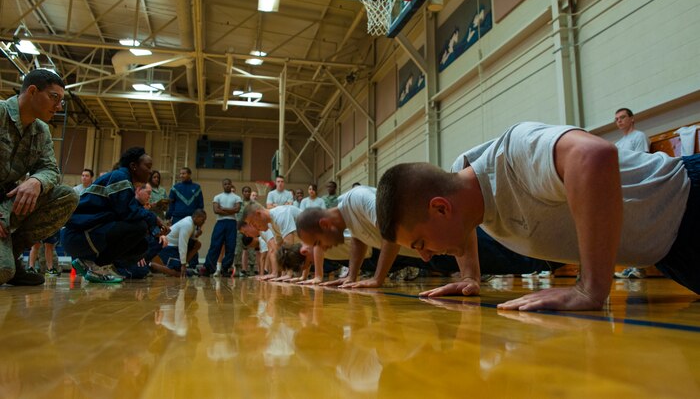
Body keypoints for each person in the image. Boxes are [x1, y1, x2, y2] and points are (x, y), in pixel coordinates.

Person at [375, 121, 699, 311]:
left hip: (690, 199)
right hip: (670, 253)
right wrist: (469, 277)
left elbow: (593, 155)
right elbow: (466, 226)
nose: (425, 256)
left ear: (440, 207)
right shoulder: (466, 193)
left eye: (419, 242)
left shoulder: (514, 152)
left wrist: (590, 288)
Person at [295, 186, 554, 286]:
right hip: (429, 253)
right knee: (507, 260)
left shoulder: (358, 197)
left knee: (509, 254)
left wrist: (377, 279)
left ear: (325, 224)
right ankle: (556, 261)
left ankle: (559, 259)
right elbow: (360, 243)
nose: (323, 249)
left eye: (318, 242)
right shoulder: (346, 214)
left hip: (444, 238)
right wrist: (350, 277)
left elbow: (392, 232)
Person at [0, 69, 79, 286]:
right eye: (54, 98)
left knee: (67, 196)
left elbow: (50, 169)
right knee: (2, 272)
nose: (59, 106)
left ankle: (11, 255)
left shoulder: (41, 131)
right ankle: (8, 265)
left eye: (61, 100)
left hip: (6, 204)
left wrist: (37, 180)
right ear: (33, 91)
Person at [61, 147, 169, 283]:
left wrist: (152, 226)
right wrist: (154, 219)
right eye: (148, 166)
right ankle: (97, 266)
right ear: (134, 166)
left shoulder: (123, 180)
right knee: (140, 227)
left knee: (141, 244)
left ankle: (92, 263)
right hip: (77, 235)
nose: (150, 171)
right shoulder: (120, 177)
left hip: (84, 234)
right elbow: (127, 212)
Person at [613, 108, 651, 279]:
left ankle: (639, 267)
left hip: (637, 185)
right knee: (627, 228)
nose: (619, 121)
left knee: (638, 226)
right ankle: (631, 266)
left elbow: (643, 160)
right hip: (623, 187)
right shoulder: (618, 144)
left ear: (632, 119)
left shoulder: (639, 137)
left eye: (622, 117)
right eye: (617, 119)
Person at [238, 202, 301, 279]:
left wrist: (288, 274)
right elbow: (278, 248)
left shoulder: (280, 214)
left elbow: (288, 244)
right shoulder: (271, 224)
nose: (254, 226)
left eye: (252, 223)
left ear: (258, 213)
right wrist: (281, 274)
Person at [166, 167, 203, 268]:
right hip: (177, 218)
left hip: (193, 219)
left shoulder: (197, 187)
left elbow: (200, 205)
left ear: (190, 174)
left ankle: (193, 265)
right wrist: (169, 217)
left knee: (192, 242)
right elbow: (171, 204)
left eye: (184, 173)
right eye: (180, 174)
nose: (181, 175)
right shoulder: (175, 187)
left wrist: (199, 226)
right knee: (178, 242)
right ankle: (176, 264)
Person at [204, 179, 241, 276]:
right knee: (215, 245)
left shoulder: (237, 197)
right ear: (222, 185)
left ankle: (225, 268)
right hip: (220, 222)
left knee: (231, 246)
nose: (227, 185)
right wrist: (230, 211)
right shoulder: (217, 197)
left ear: (231, 185)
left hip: (232, 223)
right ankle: (209, 268)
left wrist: (223, 208)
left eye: (229, 184)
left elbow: (237, 209)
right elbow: (216, 210)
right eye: (225, 184)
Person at [158, 209, 207, 277]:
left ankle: (180, 266)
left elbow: (192, 242)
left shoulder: (192, 223)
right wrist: (183, 265)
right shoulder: (187, 224)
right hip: (168, 247)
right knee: (177, 270)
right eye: (202, 220)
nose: (203, 222)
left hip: (175, 246)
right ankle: (151, 264)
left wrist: (196, 235)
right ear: (196, 217)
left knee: (197, 244)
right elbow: (182, 244)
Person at [234, 186, 256, 276]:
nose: (247, 193)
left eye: (248, 191)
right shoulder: (239, 203)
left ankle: (251, 269)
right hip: (241, 229)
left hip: (250, 229)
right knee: (238, 250)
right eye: (245, 191)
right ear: (242, 192)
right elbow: (236, 216)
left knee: (251, 250)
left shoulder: (254, 204)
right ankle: (238, 269)